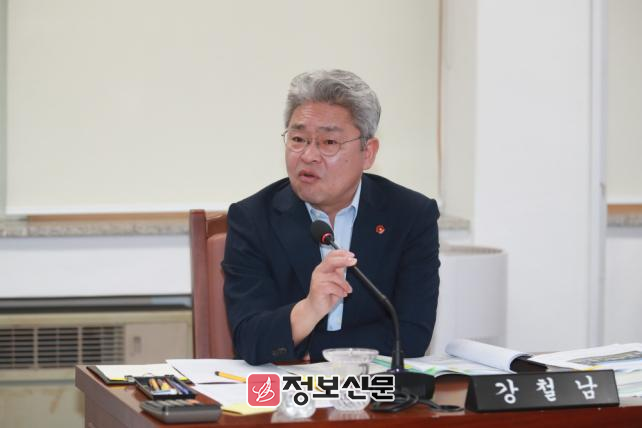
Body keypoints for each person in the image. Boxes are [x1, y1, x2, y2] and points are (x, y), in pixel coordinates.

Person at [222, 69, 440, 365]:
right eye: (298, 139)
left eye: (328, 143)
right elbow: (250, 339)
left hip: (373, 389)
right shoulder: (253, 219)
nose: (308, 155)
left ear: (368, 152)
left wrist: (310, 349)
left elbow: (410, 336)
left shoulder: (410, 216)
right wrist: (309, 309)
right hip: (286, 390)